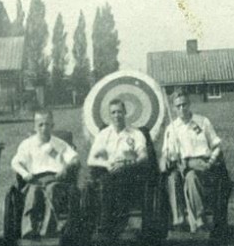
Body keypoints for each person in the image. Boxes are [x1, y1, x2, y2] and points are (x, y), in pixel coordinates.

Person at [160, 90, 223, 233]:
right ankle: (179, 221)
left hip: (202, 165)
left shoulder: (202, 122)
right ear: (174, 108)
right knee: (173, 178)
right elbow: (166, 153)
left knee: (191, 177)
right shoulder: (171, 128)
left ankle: (200, 221)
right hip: (180, 165)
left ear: (189, 104)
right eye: (178, 106)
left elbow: (217, 146)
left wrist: (211, 161)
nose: (182, 108)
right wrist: (167, 158)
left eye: (184, 104)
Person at [11, 109, 80, 239]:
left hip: (55, 179)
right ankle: (28, 230)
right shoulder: (27, 144)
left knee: (52, 190)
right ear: (34, 126)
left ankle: (48, 231)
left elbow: (75, 159)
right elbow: (15, 163)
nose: (44, 128)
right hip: (34, 180)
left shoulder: (60, 144)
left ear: (52, 125)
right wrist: (25, 174)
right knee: (33, 192)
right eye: (40, 124)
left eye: (47, 124)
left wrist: (65, 168)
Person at [87, 99, 148, 238]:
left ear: (125, 112)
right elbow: (90, 159)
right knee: (106, 183)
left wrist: (126, 164)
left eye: (119, 112)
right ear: (109, 115)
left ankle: (119, 225)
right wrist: (107, 164)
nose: (116, 115)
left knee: (120, 182)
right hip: (108, 171)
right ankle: (106, 226)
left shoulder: (135, 134)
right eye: (113, 112)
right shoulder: (103, 135)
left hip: (130, 172)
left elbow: (143, 157)